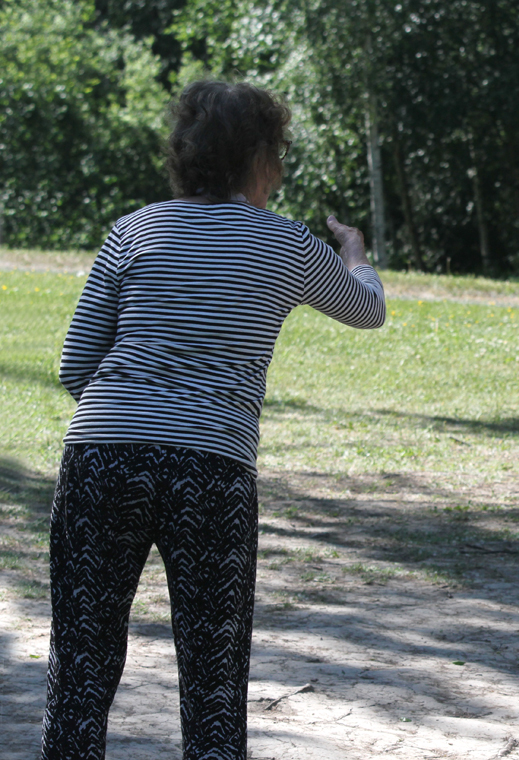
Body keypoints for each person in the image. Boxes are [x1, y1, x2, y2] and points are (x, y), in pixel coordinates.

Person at [39, 80, 386, 759]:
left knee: (79, 667)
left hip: (102, 456)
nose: (281, 174)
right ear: (257, 157)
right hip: (212, 469)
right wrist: (355, 253)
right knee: (214, 683)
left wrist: (135, 412)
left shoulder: (136, 228)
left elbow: (76, 365)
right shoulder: (288, 245)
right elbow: (366, 309)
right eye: (278, 156)